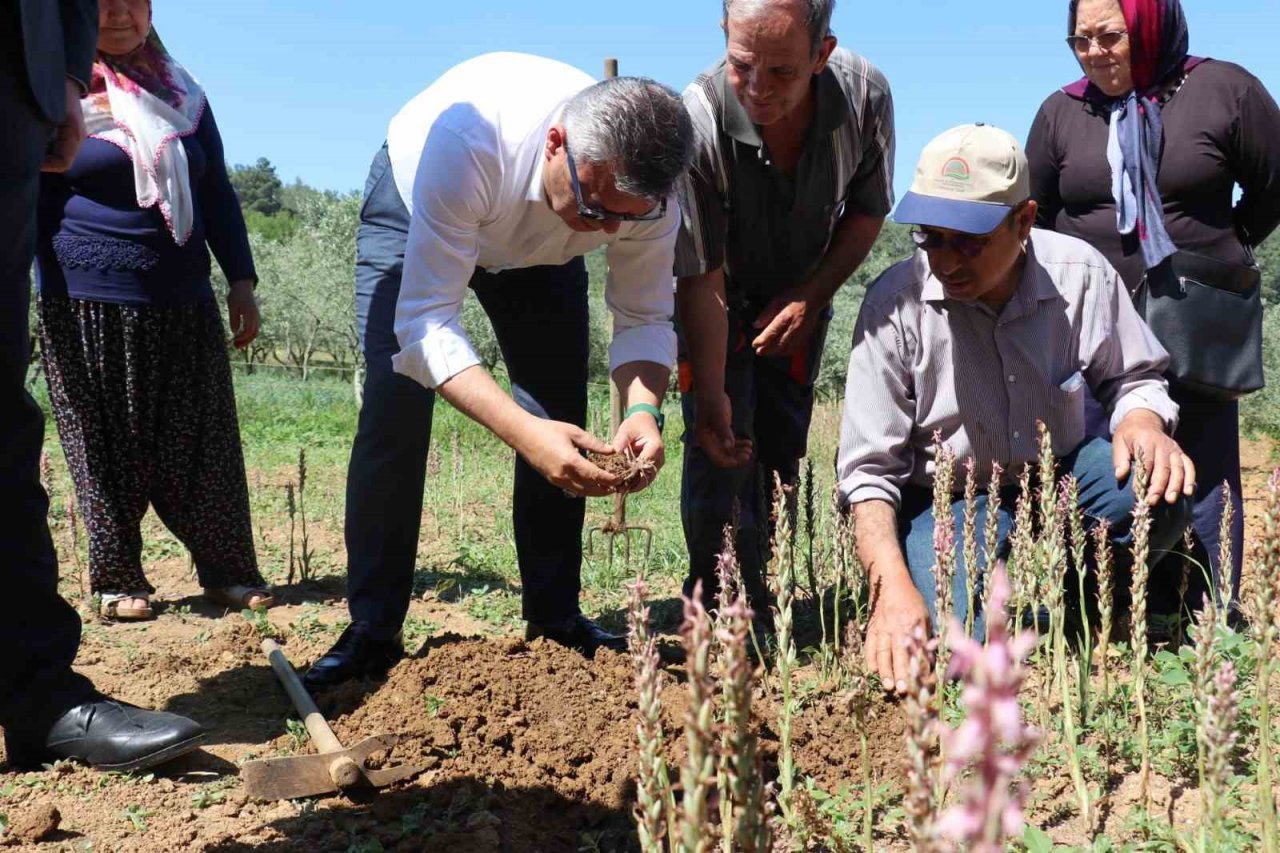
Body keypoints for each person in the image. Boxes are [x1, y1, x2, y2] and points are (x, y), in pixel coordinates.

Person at [302, 53, 694, 692]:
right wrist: (524, 435)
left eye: (626, 216)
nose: (607, 229)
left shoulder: (643, 200)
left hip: (539, 254)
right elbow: (425, 325)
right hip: (419, 204)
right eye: (596, 205)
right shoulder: (467, 144)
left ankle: (555, 619)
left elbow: (644, 316)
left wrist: (643, 410)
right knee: (394, 408)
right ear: (556, 142)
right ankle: (373, 630)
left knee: (558, 409)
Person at [837, 124, 1194, 694]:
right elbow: (868, 475)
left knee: (1156, 487)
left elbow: (1135, 377)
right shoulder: (893, 307)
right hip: (949, 499)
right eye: (931, 238)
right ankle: (971, 605)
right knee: (958, 651)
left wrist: (1142, 420)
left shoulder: (1080, 276)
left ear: (1023, 221)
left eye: (968, 242)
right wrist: (890, 588)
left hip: (1060, 475)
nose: (945, 261)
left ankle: (1085, 608)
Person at [1, 0, 203, 771]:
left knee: (1, 414)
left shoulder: (179, 94)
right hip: (86, 287)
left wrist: (59, 69)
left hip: (15, 85)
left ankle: (36, 691)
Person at [1026, 0, 1280, 610]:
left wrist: (1222, 250)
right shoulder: (1062, 111)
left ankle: (1205, 614)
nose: (1094, 52)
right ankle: (1105, 607)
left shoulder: (1225, 90)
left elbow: (1273, 184)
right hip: (1089, 325)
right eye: (1080, 40)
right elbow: (1033, 215)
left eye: (1110, 35)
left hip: (1194, 316)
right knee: (1101, 455)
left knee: (1203, 460)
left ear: (1150, 24)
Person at [35, 0, 274, 621]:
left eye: (135, 2)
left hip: (183, 295)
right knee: (102, 441)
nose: (121, 15)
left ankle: (228, 572)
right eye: (104, 4)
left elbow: (216, 190)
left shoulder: (183, 93)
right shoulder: (53, 92)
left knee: (204, 440)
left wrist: (241, 280)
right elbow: (24, 190)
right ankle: (118, 580)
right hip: (85, 297)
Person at [674, 0, 894, 615]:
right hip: (714, 292)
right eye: (742, 65)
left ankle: (762, 592)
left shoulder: (865, 97)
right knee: (720, 444)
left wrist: (811, 296)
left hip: (805, 294)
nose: (758, 89)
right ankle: (718, 606)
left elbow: (868, 211)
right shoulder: (700, 119)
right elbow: (700, 272)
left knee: (779, 448)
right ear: (725, 33)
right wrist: (711, 392)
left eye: (782, 72)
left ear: (822, 54)